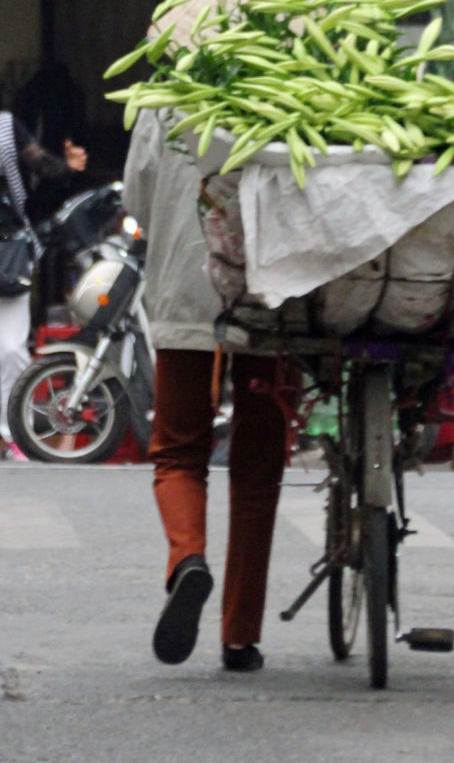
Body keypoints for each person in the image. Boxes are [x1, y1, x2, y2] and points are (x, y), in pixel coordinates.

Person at [123, 109, 295, 673]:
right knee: (258, 467)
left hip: (184, 294)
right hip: (273, 299)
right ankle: (240, 635)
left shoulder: (163, 104)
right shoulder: (290, 86)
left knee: (177, 450)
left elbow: (139, 205)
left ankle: (187, 558)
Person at [0, 112, 87, 462]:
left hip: (7, 252)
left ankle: (11, 433)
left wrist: (69, 168)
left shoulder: (4, 127)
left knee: (9, 349)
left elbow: (43, 166)